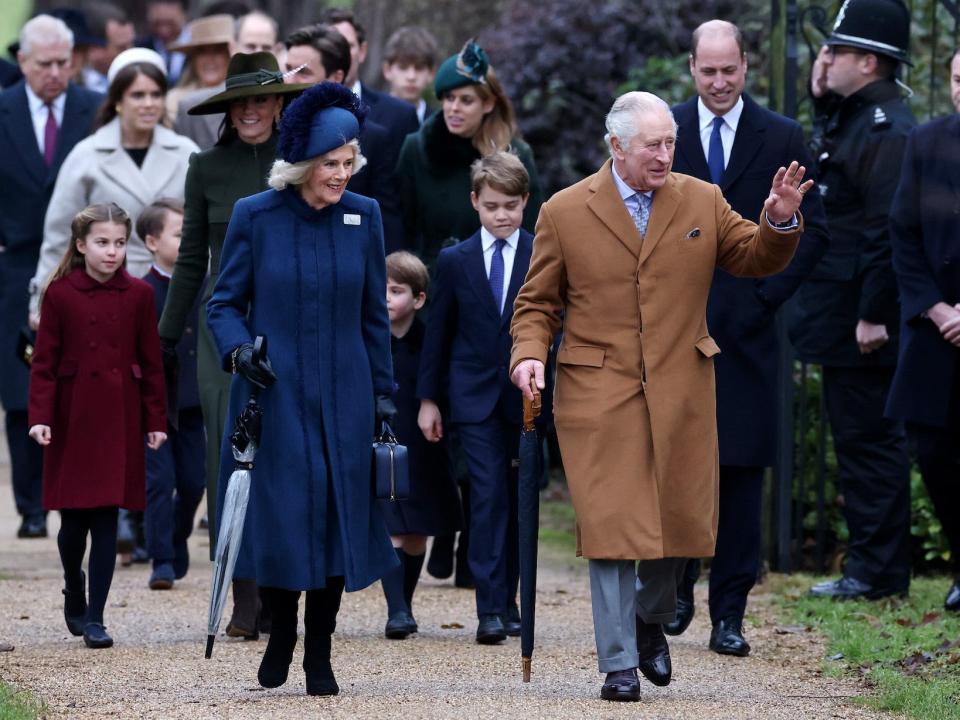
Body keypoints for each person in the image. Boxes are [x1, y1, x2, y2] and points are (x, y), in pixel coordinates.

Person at [510, 91, 809, 702]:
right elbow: (537, 303)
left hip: (681, 388)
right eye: (652, 144)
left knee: (676, 529)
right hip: (599, 391)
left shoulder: (700, 197)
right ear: (616, 147)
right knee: (612, 527)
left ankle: (651, 619)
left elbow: (753, 258)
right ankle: (618, 662)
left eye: (671, 142)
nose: (665, 154)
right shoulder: (565, 211)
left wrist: (779, 220)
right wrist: (529, 355)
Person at [206, 82, 397, 695]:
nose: (340, 174)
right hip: (276, 394)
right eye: (330, 164)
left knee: (339, 517)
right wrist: (239, 351)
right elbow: (224, 303)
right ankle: (282, 630)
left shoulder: (363, 216)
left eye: (348, 162)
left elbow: (374, 316)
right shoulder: (254, 215)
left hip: (346, 393)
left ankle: (320, 647)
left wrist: (385, 398)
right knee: (287, 518)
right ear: (302, 166)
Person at [666, 20, 831, 656]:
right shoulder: (666, 131)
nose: (717, 82)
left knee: (739, 477)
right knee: (678, 468)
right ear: (691, 69)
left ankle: (728, 613)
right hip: (675, 330)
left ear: (745, 67)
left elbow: (814, 233)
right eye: (707, 71)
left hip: (747, 332)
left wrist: (762, 302)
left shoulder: (783, 136)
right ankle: (676, 585)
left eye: (727, 70)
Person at [159, 50, 309, 637]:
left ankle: (282, 594)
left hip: (290, 326)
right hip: (223, 334)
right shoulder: (205, 167)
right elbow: (192, 258)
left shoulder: (300, 162)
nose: (253, 110)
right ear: (229, 108)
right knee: (230, 457)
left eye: (263, 99)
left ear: (278, 106)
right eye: (243, 100)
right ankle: (241, 597)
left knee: (285, 457)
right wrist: (167, 336)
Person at [789, 0, 916, 601]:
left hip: (862, 318)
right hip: (843, 312)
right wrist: (821, 97)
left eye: (835, 51)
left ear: (868, 62)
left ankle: (878, 572)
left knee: (870, 442)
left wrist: (872, 313)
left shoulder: (888, 128)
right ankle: (872, 567)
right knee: (858, 439)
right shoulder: (861, 116)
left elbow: (883, 230)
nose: (825, 59)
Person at [28, 202, 167, 649]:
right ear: (82, 245)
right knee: (73, 524)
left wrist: (155, 420)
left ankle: (96, 618)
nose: (112, 252)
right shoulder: (61, 293)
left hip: (119, 415)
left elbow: (151, 362)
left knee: (108, 517)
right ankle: (74, 584)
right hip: (72, 417)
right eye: (103, 243)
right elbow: (44, 364)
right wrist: (41, 418)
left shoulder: (140, 296)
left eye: (120, 243)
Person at [417, 151, 536, 643]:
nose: (501, 214)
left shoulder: (541, 252)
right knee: (486, 497)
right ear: (475, 203)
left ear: (526, 202)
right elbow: (437, 334)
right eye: (491, 206)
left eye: (510, 204)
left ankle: (511, 601)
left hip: (527, 395)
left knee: (520, 499)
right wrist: (428, 398)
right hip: (472, 398)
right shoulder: (455, 259)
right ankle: (488, 607)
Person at [0, 14, 102, 540]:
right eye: (46, 64)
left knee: (79, 385)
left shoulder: (92, 111)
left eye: (65, 62)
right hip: (13, 266)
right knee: (22, 391)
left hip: (81, 265)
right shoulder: (3, 110)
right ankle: (31, 505)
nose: (57, 73)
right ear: (23, 62)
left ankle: (78, 496)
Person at [29, 48, 199, 323]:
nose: (148, 104)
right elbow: (59, 237)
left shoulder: (186, 152)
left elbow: (204, 230)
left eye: (156, 95)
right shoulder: (86, 156)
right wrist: (41, 300)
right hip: (104, 294)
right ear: (118, 100)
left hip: (177, 295)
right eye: (137, 95)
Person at [886, 46, 960, 613]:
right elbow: (903, 233)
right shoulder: (926, 141)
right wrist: (936, 309)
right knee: (931, 448)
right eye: (958, 79)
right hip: (935, 328)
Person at [396, 39, 543, 270]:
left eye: (466, 100)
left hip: (495, 279)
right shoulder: (416, 149)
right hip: (433, 283)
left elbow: (533, 231)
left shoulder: (516, 155)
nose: (454, 108)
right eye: (448, 98)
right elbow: (402, 227)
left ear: (488, 104)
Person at [378, 250, 463, 639]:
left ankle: (406, 603)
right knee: (391, 524)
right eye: (380, 289)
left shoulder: (430, 341)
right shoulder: (368, 341)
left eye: (396, 290)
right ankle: (396, 610)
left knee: (416, 532)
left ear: (418, 298)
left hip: (425, 444)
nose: (386, 298)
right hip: (382, 443)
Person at [284, 23, 406, 252]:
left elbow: (387, 224)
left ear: (336, 77)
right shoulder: (276, 130)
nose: (290, 81)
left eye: (303, 72)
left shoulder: (371, 138)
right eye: (288, 70)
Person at [136, 199, 206, 591]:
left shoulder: (203, 284)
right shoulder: (142, 292)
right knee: (159, 481)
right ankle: (160, 557)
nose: (189, 240)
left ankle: (177, 537)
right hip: (155, 406)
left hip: (193, 402)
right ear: (151, 241)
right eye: (180, 234)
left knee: (195, 482)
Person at [174, 12, 281, 150]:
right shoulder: (190, 106)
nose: (258, 53)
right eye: (250, 46)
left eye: (266, 48)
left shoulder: (292, 105)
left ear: (277, 50)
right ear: (233, 48)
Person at [321, 9, 419, 150]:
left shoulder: (400, 115)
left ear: (362, 51)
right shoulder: (298, 112)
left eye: (347, 46)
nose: (340, 54)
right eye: (331, 46)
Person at [164, 15, 234, 126]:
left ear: (230, 56)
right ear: (193, 59)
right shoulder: (174, 101)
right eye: (202, 52)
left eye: (218, 51)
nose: (210, 59)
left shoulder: (244, 99)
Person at [381, 26, 438, 125]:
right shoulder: (370, 118)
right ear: (387, 70)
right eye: (403, 67)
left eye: (419, 68)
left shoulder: (440, 124)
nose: (411, 77)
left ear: (431, 73)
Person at [83, 2, 135, 94]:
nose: (131, 53)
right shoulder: (77, 86)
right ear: (94, 50)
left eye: (132, 44)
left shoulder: (136, 80)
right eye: (122, 48)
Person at [136, 0, 187, 85]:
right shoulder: (141, 49)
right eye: (157, 23)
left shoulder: (199, 47)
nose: (163, 29)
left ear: (183, 15)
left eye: (170, 23)